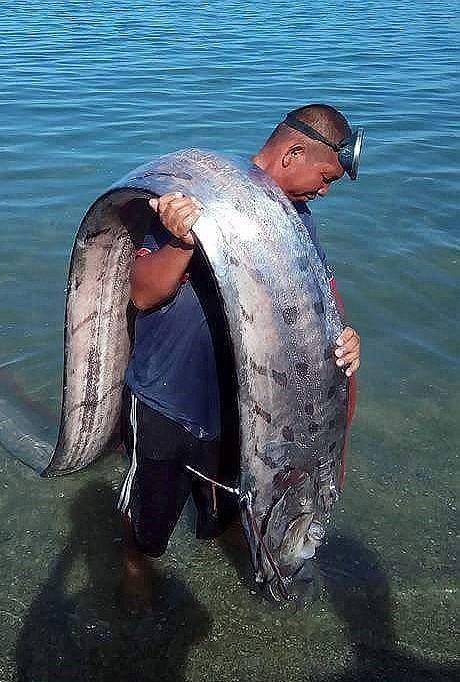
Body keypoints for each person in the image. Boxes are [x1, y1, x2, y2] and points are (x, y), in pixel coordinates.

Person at [118, 104, 362, 604]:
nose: (325, 189)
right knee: (150, 517)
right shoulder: (197, 196)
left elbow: (315, 297)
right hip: (167, 399)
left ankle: (224, 529)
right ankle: (135, 562)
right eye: (325, 177)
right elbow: (141, 294)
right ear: (293, 152)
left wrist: (344, 336)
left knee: (223, 504)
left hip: (239, 408)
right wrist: (182, 241)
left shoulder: (298, 221)